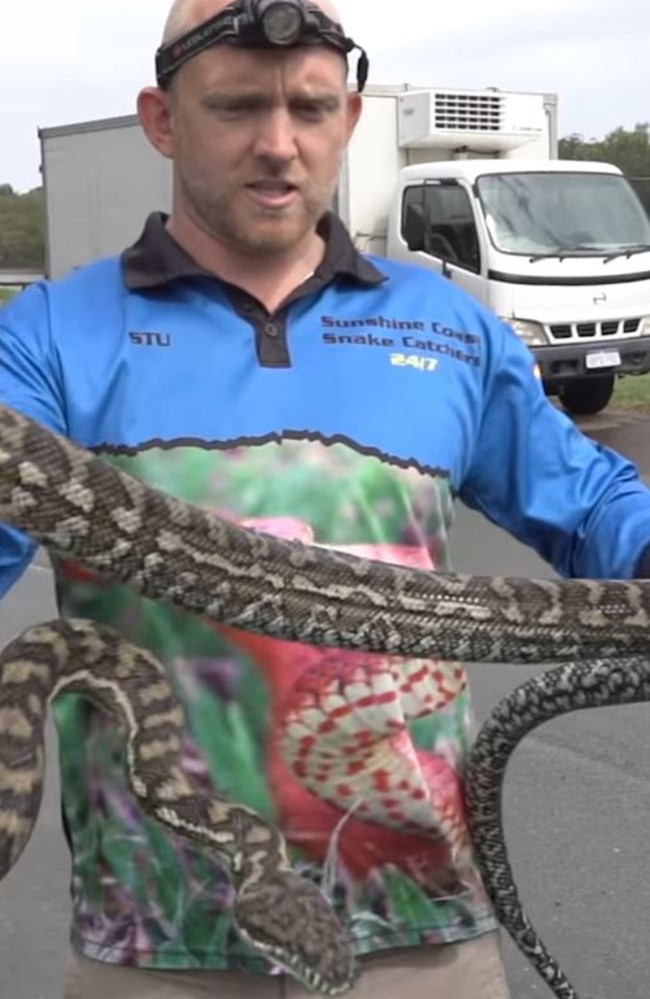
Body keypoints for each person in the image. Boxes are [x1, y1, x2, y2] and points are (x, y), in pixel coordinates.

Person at [1, 1, 650, 997]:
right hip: (154, 947)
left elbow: (587, 501)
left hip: (426, 936)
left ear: (346, 119)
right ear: (163, 119)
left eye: (308, 108)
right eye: (237, 107)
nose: (277, 143)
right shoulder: (49, 335)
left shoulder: (441, 324)